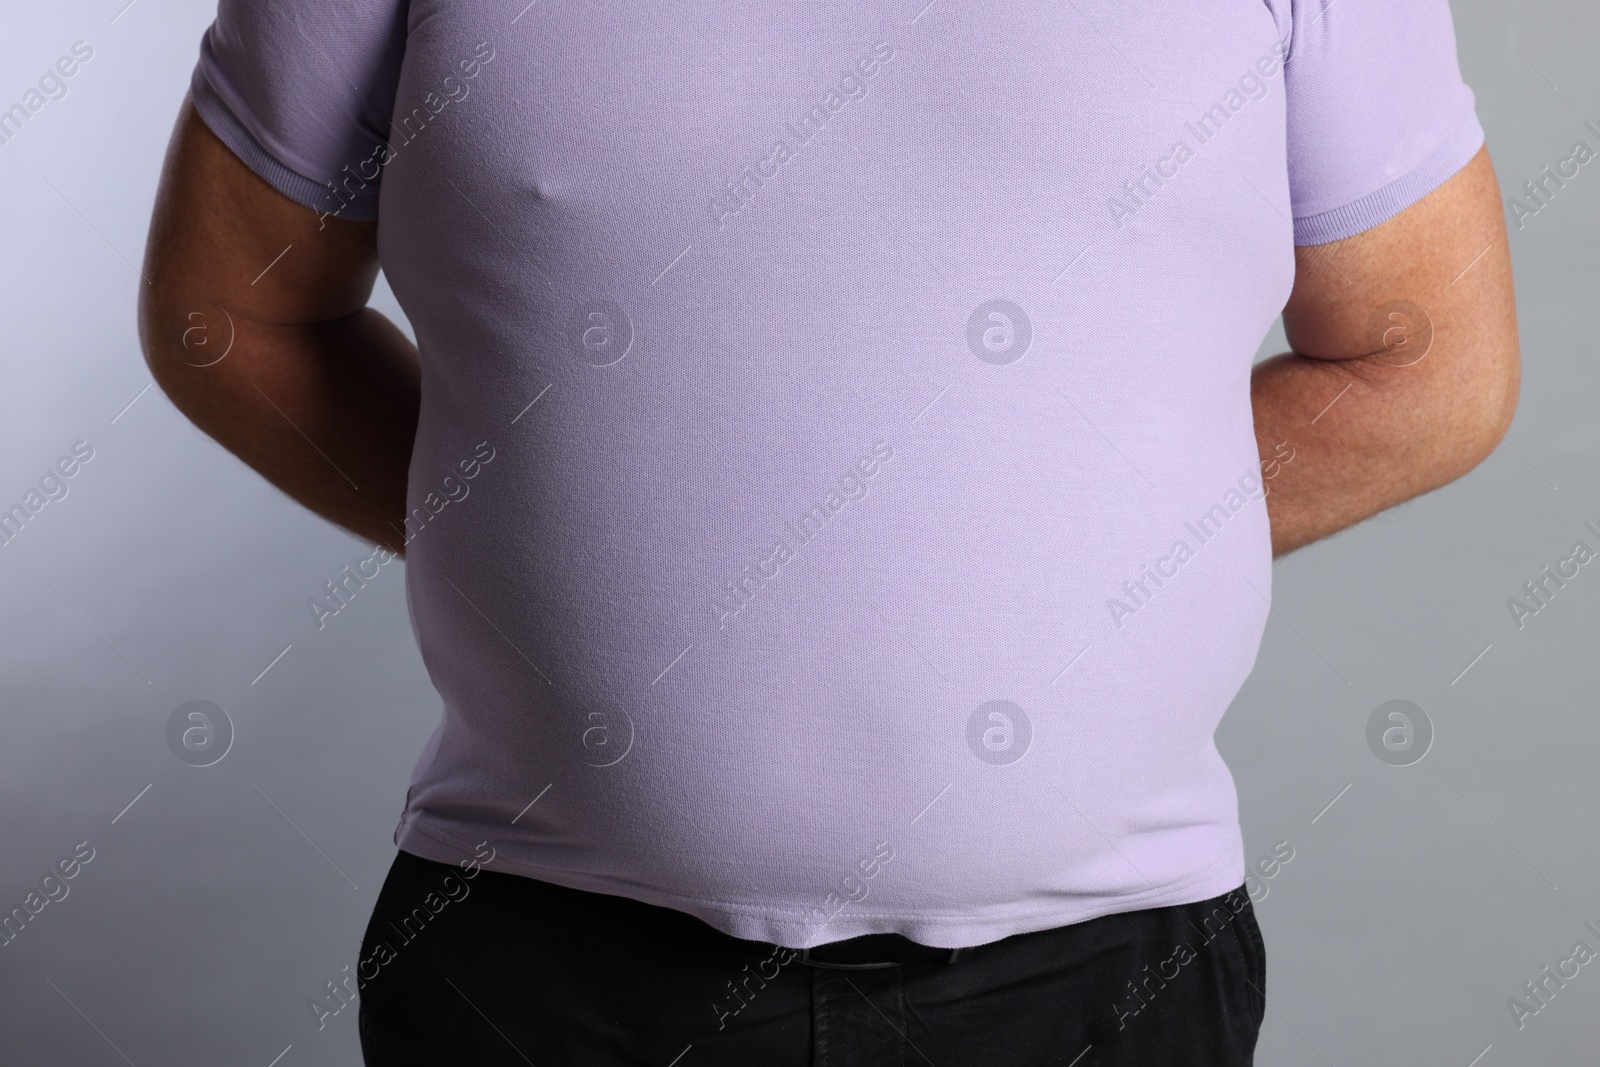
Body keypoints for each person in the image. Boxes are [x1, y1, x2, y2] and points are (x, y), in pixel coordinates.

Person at [138, 0, 1519, 1062]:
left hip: (1099, 978)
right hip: (543, 964)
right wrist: (521, 538)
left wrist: (1119, 555)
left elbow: (1431, 363)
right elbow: (230, 317)